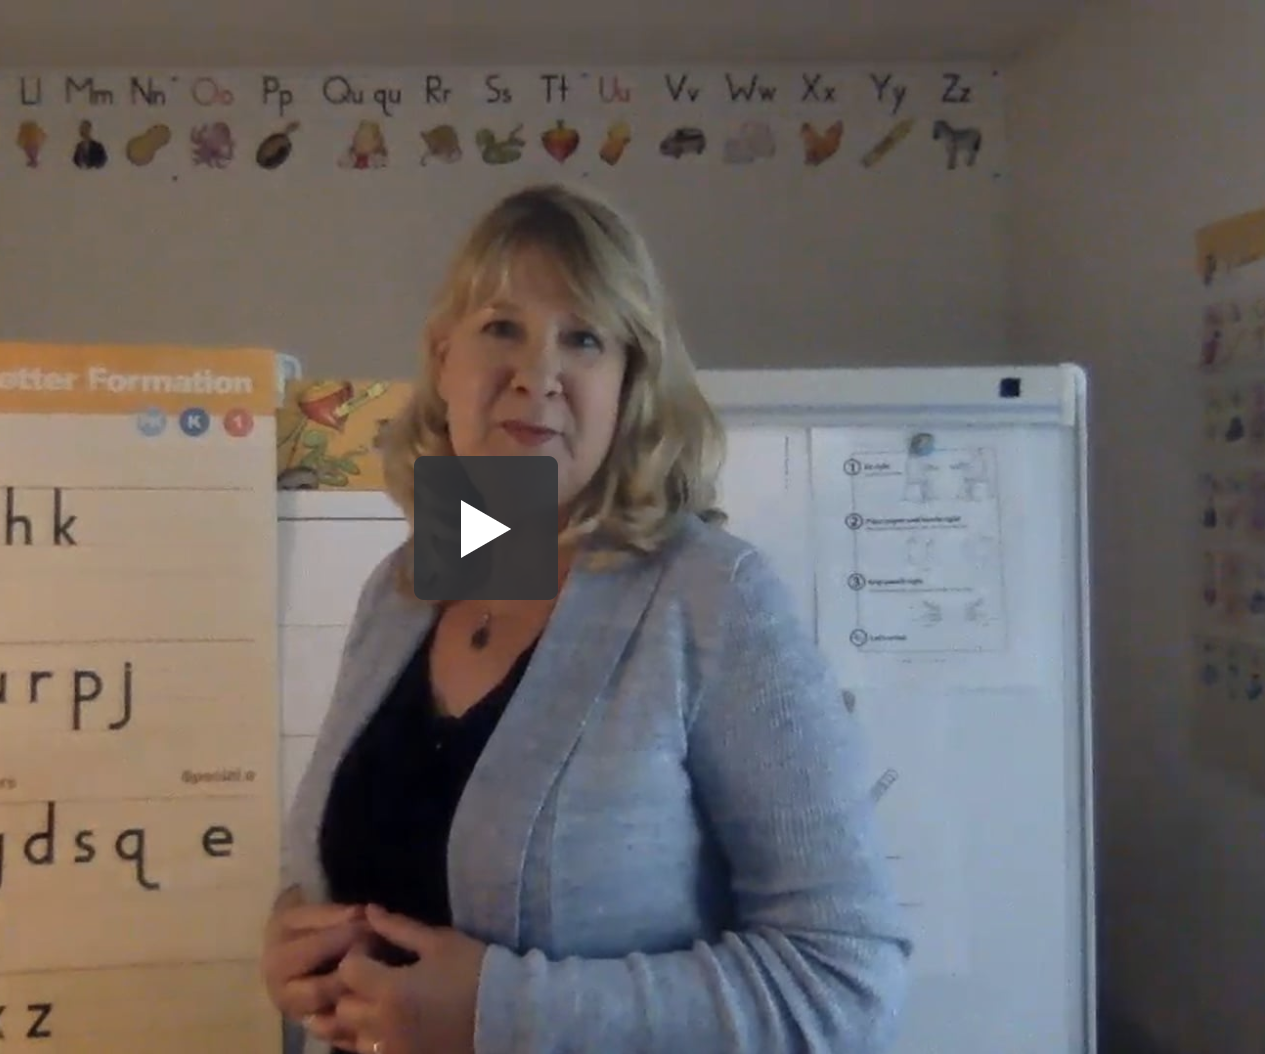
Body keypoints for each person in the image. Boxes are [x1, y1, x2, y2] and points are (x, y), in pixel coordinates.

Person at [257, 181, 913, 1054]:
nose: (538, 374)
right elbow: (378, 845)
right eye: (502, 328)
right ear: (443, 357)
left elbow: (845, 980)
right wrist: (295, 940)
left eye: (584, 339)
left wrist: (501, 1015)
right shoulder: (404, 588)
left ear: (628, 384)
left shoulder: (711, 595)